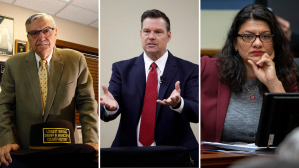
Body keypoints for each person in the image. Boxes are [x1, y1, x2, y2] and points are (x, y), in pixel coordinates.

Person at [100, 9, 199, 167]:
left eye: (158, 32)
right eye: (147, 31)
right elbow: (109, 108)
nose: (151, 36)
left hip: (174, 156)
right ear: (141, 34)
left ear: (168, 36)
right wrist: (112, 107)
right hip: (129, 155)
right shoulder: (121, 69)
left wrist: (179, 104)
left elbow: (198, 111)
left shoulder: (189, 69)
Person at [0, 13, 98, 167]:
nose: (41, 37)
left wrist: (91, 140)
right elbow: (5, 107)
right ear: (28, 37)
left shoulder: (76, 60)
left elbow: (87, 104)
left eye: (46, 30)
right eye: (34, 33)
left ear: (55, 33)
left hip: (66, 151)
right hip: (25, 151)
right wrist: (7, 140)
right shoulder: (13, 65)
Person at [201, 4, 299, 145]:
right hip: (217, 162)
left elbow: (294, 136)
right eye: (248, 36)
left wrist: (273, 84)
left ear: (274, 42)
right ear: (235, 43)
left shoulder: (286, 77)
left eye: (265, 36)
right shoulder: (207, 69)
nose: (258, 43)